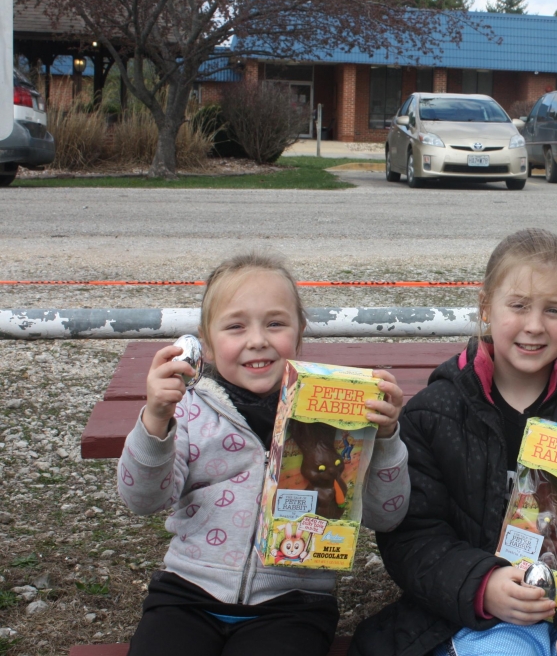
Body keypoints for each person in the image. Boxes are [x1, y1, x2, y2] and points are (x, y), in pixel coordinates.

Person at [352, 229, 557, 656]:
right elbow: (414, 536)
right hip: (479, 618)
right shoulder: (437, 412)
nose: (534, 326)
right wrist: (481, 584)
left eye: (554, 310)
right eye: (519, 306)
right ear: (486, 306)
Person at [117, 252, 410, 656]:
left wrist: (387, 436)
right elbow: (142, 499)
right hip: (187, 593)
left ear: (299, 332)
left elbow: (387, 515)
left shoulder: (334, 415)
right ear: (208, 342)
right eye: (236, 326)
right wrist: (155, 421)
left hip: (293, 604)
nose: (257, 339)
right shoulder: (186, 409)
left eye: (275, 323)